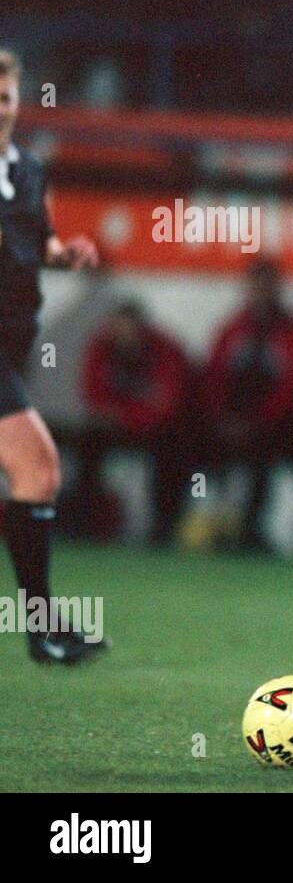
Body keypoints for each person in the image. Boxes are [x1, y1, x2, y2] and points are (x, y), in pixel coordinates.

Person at [0, 48, 107, 663]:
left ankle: (44, 626)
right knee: (38, 470)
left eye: (7, 95)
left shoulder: (27, 170)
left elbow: (38, 239)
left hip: (13, 344)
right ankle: (44, 629)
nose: (0, 107)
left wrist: (64, 254)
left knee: (31, 476)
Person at [201, 259, 293, 552]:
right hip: (228, 422)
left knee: (266, 459)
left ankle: (252, 530)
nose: (261, 292)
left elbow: (292, 386)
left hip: (273, 426)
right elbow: (214, 378)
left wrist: (259, 421)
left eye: (268, 286)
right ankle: (205, 525)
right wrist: (223, 418)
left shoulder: (292, 333)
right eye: (256, 285)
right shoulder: (233, 330)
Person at [79, 300, 193, 544]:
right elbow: (93, 393)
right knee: (88, 443)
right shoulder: (101, 348)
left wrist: (125, 416)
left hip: (157, 428)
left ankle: (163, 525)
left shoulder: (165, 350)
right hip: (117, 426)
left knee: (174, 449)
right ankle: (85, 522)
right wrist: (115, 416)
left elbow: (166, 403)